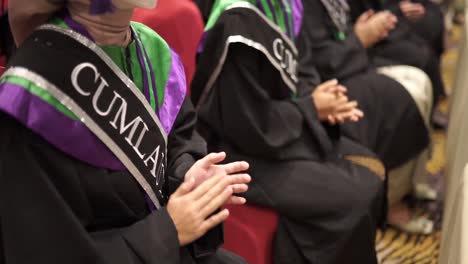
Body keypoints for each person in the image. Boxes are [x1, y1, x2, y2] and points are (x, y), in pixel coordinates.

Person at [0, 0, 251, 263]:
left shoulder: (152, 50)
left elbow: (180, 138)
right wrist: (167, 231)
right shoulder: (31, 97)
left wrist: (185, 174)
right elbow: (43, 250)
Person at [192, 0, 386, 263]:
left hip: (284, 130)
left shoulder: (287, 6)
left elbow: (303, 70)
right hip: (241, 154)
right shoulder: (237, 22)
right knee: (353, 197)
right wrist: (311, 108)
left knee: (371, 168)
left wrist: (322, 100)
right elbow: (247, 123)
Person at [298, 0, 434, 233]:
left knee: (420, 80)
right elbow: (315, 62)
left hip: (352, 60)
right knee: (403, 98)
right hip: (328, 79)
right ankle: (391, 200)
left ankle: (412, 182)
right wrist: (359, 38)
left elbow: (344, 24)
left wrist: (365, 29)